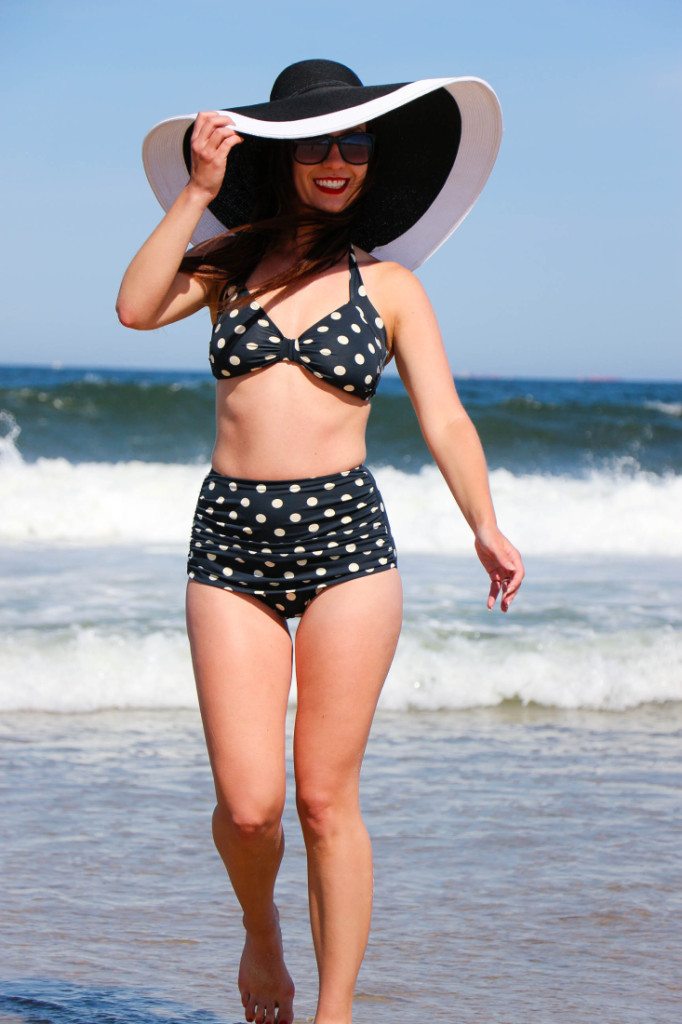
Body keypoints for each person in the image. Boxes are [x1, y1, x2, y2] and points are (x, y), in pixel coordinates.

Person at [117, 59, 524, 1024]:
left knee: (323, 798)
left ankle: (334, 1012)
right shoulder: (224, 270)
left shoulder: (390, 287)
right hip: (230, 545)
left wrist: (485, 522)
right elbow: (135, 306)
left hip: (347, 542)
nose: (338, 161)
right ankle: (262, 935)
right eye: (319, 146)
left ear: (372, 161)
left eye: (356, 144)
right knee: (250, 806)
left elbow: (448, 420)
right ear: (287, 157)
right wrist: (200, 192)